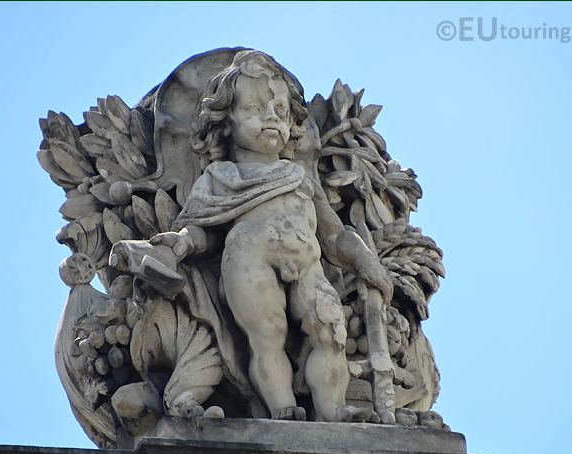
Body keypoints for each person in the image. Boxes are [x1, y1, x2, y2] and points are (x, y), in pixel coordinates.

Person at [115, 50, 393, 421]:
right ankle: (282, 410)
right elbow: (203, 232)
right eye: (254, 109)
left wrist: (364, 260)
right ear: (225, 122)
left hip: (307, 261)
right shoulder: (218, 178)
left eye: (279, 111)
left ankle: (335, 411)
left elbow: (333, 235)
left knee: (329, 331)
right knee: (268, 336)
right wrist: (181, 242)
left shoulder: (300, 179)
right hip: (248, 260)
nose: (270, 119)